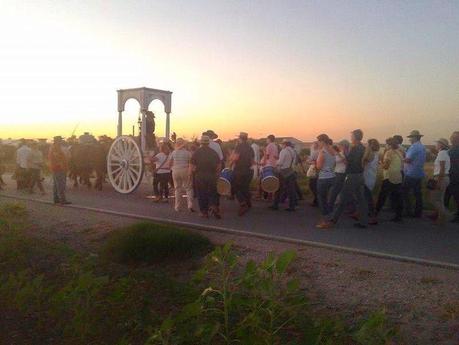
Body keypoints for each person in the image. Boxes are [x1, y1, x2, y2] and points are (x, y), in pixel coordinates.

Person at [321, 129, 368, 228]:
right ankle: (364, 222)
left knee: (342, 199)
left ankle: (332, 221)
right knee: (361, 200)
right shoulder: (363, 148)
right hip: (360, 175)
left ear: (355, 137)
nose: (351, 138)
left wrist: (339, 154)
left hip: (352, 176)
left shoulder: (355, 148)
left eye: (352, 136)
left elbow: (348, 162)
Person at [190, 135, 221, 218]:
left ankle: (204, 212)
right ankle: (213, 206)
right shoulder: (213, 152)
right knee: (212, 192)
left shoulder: (197, 152)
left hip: (200, 176)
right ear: (208, 143)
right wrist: (217, 174)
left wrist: (194, 172)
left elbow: (192, 167)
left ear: (201, 142)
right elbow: (219, 166)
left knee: (201, 194)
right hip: (211, 175)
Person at [375, 137, 404, 222]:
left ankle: (375, 213)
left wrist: (380, 163)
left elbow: (386, 166)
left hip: (389, 177)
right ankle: (399, 215)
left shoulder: (389, 153)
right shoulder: (400, 152)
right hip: (398, 177)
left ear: (389, 145)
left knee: (382, 196)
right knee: (397, 197)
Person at [402, 130, 426, 218]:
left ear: (415, 138)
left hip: (411, 173)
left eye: (411, 138)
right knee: (417, 194)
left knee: (404, 192)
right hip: (419, 173)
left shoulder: (414, 147)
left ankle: (408, 211)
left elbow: (408, 159)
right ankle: (418, 212)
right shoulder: (422, 147)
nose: (410, 139)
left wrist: (401, 159)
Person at [315, 134, 336, 227]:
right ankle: (330, 218)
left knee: (322, 199)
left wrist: (315, 163)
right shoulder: (332, 150)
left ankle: (325, 222)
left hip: (324, 177)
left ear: (322, 141)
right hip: (332, 176)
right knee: (329, 199)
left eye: (319, 141)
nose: (318, 143)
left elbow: (319, 166)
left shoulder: (322, 152)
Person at [231, 132, 255, 216]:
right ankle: (248, 203)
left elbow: (236, 158)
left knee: (236, 186)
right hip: (248, 170)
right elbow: (252, 161)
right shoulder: (250, 148)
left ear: (240, 138)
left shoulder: (239, 147)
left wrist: (231, 162)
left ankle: (242, 203)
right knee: (245, 187)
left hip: (239, 170)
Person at [271, 139, 297, 212]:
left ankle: (275, 205)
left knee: (278, 188)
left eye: (282, 144)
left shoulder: (284, 151)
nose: (281, 145)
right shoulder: (293, 151)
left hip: (283, 171)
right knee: (291, 190)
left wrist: (276, 162)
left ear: (285, 144)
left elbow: (280, 162)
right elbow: (294, 161)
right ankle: (292, 206)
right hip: (290, 171)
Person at [428, 138, 451, 224]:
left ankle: (446, 215)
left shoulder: (441, 153)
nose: (436, 145)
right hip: (445, 177)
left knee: (434, 199)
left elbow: (442, 169)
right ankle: (441, 220)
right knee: (440, 199)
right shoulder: (445, 153)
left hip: (440, 177)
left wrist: (438, 181)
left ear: (441, 145)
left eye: (437, 144)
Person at [170, 138, 194, 212]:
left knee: (177, 189)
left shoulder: (173, 152)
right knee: (188, 188)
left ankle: (177, 207)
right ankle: (190, 205)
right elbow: (190, 163)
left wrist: (172, 168)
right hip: (185, 170)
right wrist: (190, 172)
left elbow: (170, 163)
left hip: (175, 171)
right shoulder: (188, 153)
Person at [48, 136, 70, 205]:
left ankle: (56, 199)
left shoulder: (54, 147)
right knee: (61, 184)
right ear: (58, 141)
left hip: (56, 168)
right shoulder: (56, 148)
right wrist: (61, 163)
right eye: (60, 140)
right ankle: (62, 200)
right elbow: (57, 158)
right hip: (59, 168)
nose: (61, 141)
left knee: (56, 185)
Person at [363, 139, 380, 224]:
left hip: (367, 177)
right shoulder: (376, 154)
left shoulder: (370, 154)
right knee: (366, 197)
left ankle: (372, 217)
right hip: (371, 177)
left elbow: (364, 163)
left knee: (368, 198)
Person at [329, 139, 349, 209]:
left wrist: (338, 155)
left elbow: (346, 163)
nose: (339, 146)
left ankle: (334, 203)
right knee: (339, 188)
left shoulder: (345, 153)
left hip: (341, 172)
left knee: (336, 188)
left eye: (340, 145)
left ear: (344, 145)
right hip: (337, 172)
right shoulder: (340, 152)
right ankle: (339, 201)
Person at [445, 132, 459, 223]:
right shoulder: (452, 149)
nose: (451, 139)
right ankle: (443, 213)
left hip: (455, 176)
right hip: (451, 175)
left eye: (453, 137)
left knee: (456, 196)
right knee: (447, 195)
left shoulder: (455, 150)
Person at [307, 142, 319, 207]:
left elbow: (311, 160)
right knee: (314, 185)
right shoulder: (318, 151)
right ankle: (316, 200)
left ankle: (317, 200)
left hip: (314, 170)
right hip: (317, 170)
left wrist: (308, 161)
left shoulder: (315, 152)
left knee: (312, 185)